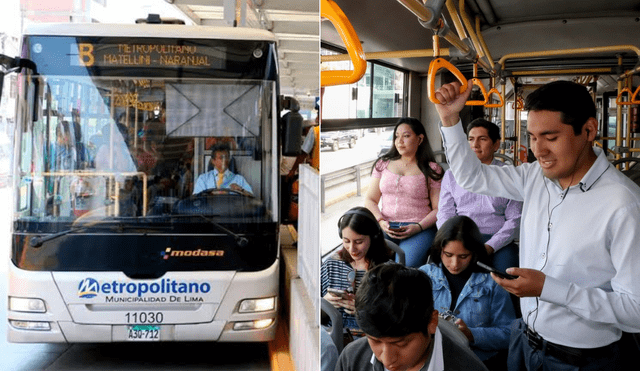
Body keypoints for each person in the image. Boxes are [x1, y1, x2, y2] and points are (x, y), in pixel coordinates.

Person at [434, 79, 640, 370]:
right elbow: (472, 178)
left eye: (550, 137)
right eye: (532, 137)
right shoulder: (534, 177)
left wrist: (550, 289)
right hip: (525, 341)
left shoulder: (624, 204)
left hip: (580, 359)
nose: (538, 150)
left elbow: (636, 310)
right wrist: (450, 120)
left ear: (589, 131)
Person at [335, 262, 488, 371]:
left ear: (432, 322)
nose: (388, 360)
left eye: (401, 344)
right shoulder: (352, 358)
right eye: (375, 340)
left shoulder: (467, 367)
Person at [420, 215, 515, 370]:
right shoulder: (424, 276)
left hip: (477, 362)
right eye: (448, 255)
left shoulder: (492, 284)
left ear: (475, 253)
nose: (454, 264)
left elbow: (509, 334)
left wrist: (472, 334)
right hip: (430, 360)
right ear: (439, 250)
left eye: (463, 256)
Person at [436, 118, 522, 275]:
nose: (475, 145)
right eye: (470, 139)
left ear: (496, 145)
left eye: (482, 139)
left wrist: (491, 246)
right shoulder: (452, 175)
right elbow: (444, 212)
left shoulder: (508, 175)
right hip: (459, 237)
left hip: (497, 239)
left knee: (505, 274)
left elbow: (515, 220)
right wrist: (450, 239)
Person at [364, 118, 444, 267]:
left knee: (405, 266)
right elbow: (370, 200)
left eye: (406, 136)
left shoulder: (432, 169)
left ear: (420, 139)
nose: (399, 141)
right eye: (397, 136)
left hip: (419, 227)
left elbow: (438, 209)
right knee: (372, 264)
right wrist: (381, 221)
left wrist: (418, 227)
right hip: (386, 226)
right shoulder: (383, 164)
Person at [321, 207, 393, 339]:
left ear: (374, 237)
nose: (352, 249)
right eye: (346, 241)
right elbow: (310, 312)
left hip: (371, 340)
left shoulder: (388, 272)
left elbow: (396, 320)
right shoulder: (331, 264)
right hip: (331, 337)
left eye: (359, 242)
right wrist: (324, 304)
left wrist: (366, 312)